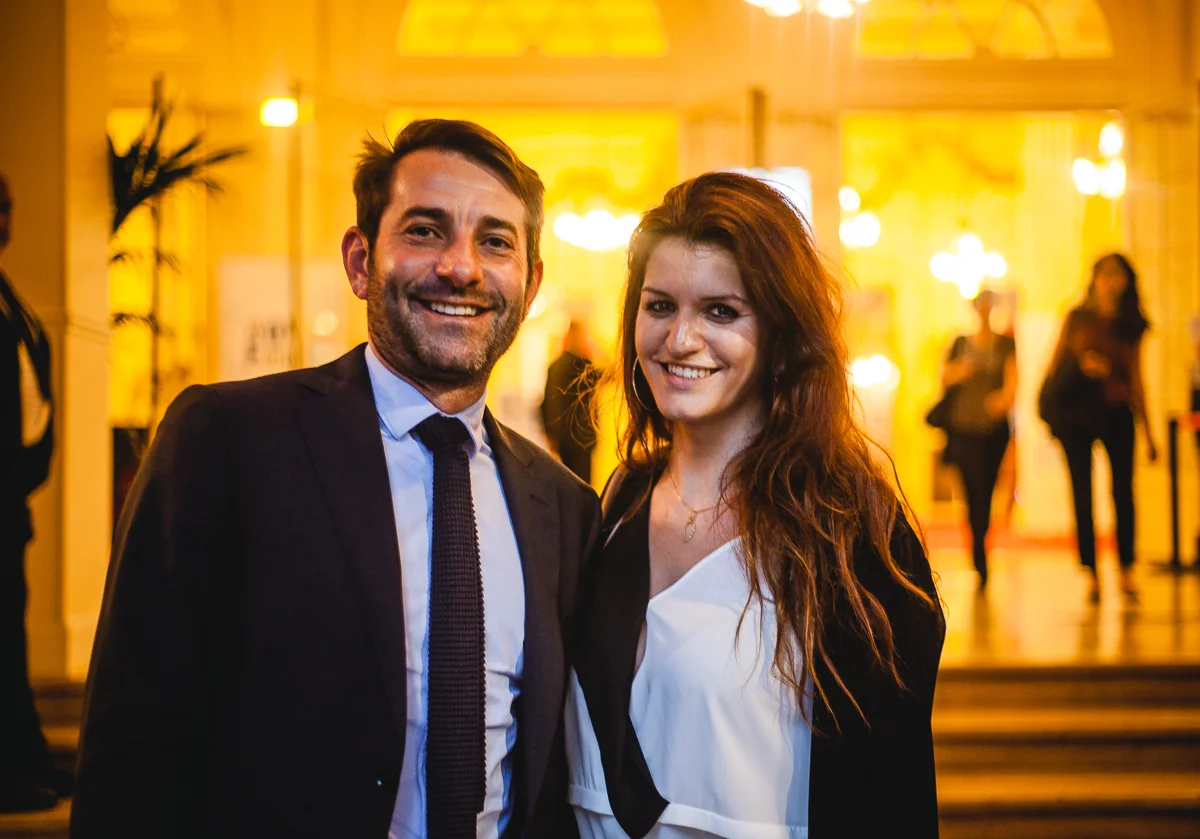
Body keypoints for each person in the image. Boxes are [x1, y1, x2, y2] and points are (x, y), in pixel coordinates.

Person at [73, 120, 600, 839]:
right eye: (425, 230)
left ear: (530, 283)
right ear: (360, 260)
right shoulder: (229, 441)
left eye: (496, 242)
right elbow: (132, 745)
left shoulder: (563, 506)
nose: (461, 267)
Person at [566, 172, 946, 838]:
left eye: (721, 311)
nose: (680, 339)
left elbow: (891, 790)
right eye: (660, 306)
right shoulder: (620, 501)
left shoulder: (848, 527)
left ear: (780, 332)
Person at [0, 173, 67, 813]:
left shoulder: (8, 296)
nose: (4, 220)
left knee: (8, 636)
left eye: (7, 207)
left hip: (10, 502)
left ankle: (25, 762)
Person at [1046, 253, 1156, 603]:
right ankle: (1091, 571)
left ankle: (1126, 568)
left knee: (1123, 491)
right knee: (1083, 492)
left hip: (1116, 409)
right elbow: (1056, 364)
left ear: (1127, 281)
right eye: (1105, 274)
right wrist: (1082, 366)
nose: (1111, 281)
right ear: (1094, 279)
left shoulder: (1131, 323)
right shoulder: (1078, 318)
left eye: (1118, 274)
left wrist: (1150, 431)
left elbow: (1137, 377)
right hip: (1078, 414)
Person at [938, 290, 1017, 590]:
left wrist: (1003, 400)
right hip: (963, 430)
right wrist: (961, 371)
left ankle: (981, 542)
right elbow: (944, 376)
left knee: (987, 489)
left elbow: (1013, 381)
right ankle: (977, 546)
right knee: (971, 490)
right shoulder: (960, 342)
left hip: (993, 431)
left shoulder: (1005, 344)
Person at [541, 319, 600, 482]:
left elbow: (545, 404)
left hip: (561, 441)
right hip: (582, 440)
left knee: (565, 485)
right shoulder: (583, 366)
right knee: (583, 487)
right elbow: (609, 373)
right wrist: (594, 351)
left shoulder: (554, 366)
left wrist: (551, 436)